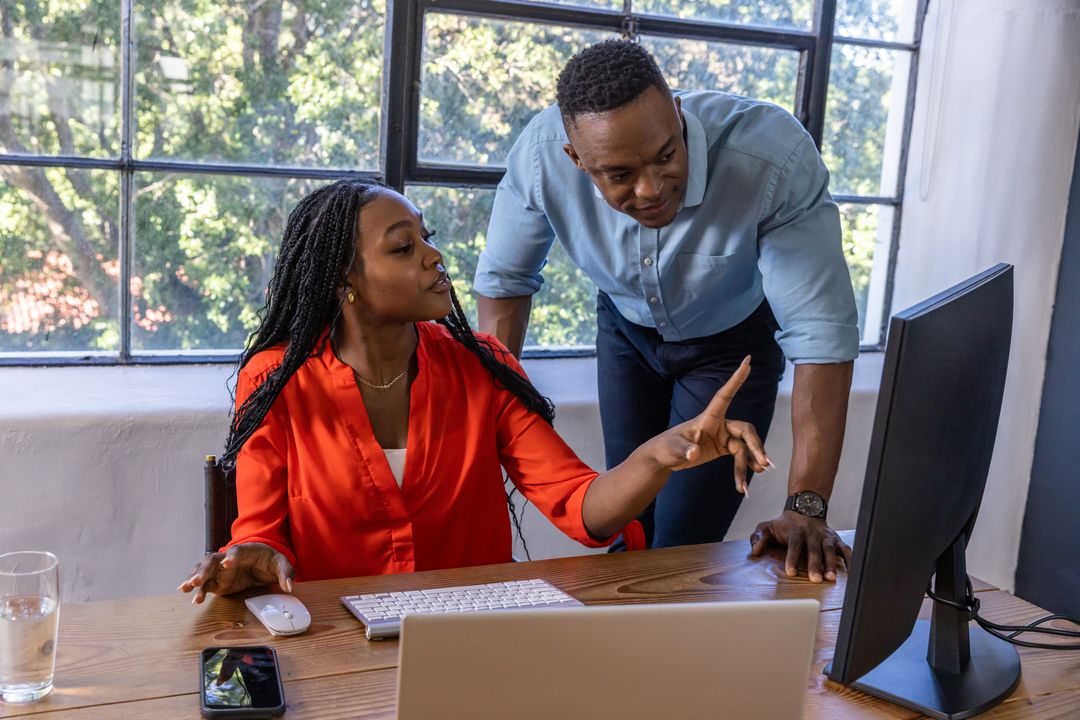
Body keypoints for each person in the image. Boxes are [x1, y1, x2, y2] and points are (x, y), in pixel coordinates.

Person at [178, 179, 770, 603]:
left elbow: (579, 507)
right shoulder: (276, 377)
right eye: (404, 247)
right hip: (334, 638)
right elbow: (259, 527)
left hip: (473, 635)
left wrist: (662, 454)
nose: (436, 258)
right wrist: (255, 555)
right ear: (344, 282)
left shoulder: (481, 364)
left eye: (427, 239)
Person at [474, 40, 859, 583]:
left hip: (733, 343)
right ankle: (617, 660)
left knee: (681, 548)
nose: (651, 188)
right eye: (620, 175)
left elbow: (821, 333)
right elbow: (505, 282)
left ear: (678, 116)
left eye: (665, 155)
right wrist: (487, 422)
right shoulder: (540, 155)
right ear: (576, 161)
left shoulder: (771, 156)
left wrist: (808, 506)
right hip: (626, 329)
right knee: (626, 527)